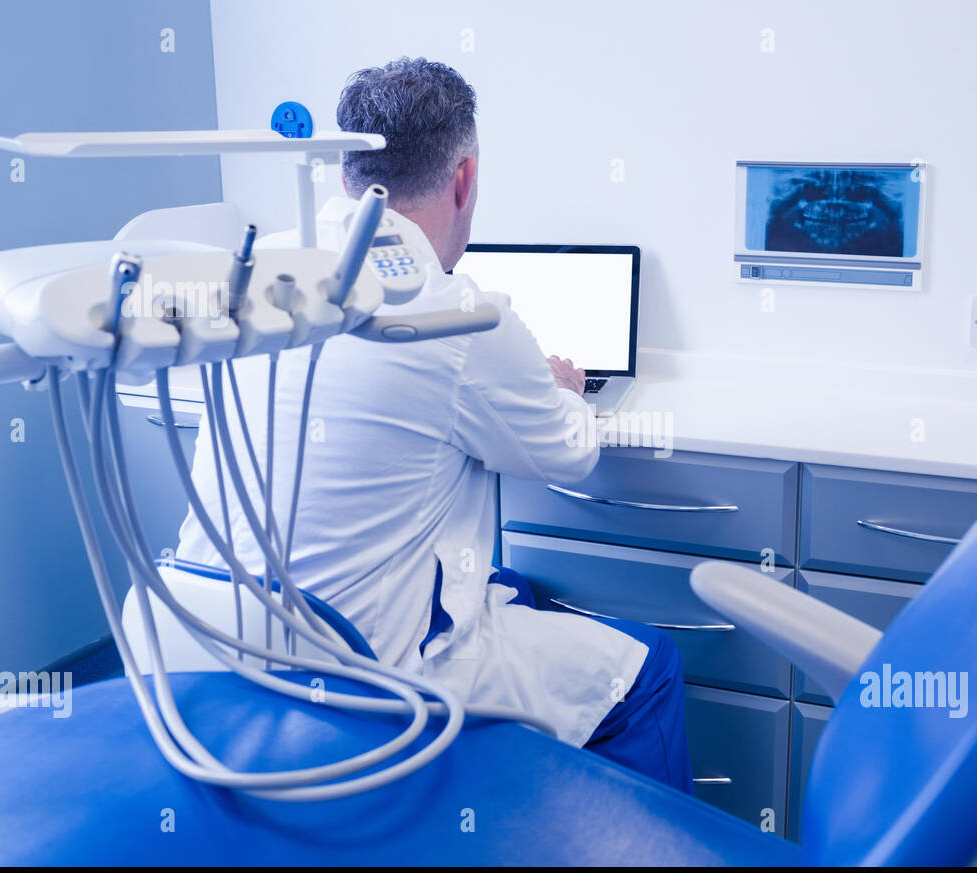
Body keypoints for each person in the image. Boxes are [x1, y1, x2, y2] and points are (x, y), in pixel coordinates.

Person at [175, 56, 692, 792]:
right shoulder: (459, 315)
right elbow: (571, 454)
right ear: (464, 179)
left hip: (217, 637)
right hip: (370, 674)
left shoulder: (255, 273)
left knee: (512, 584)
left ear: (346, 171)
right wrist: (565, 390)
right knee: (648, 671)